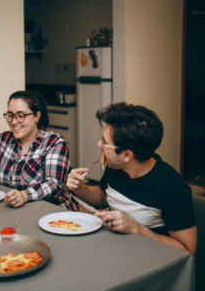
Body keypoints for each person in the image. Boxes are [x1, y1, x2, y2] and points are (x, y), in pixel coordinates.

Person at [67, 102, 197, 256]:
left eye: (105, 142)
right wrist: (79, 188)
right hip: (115, 249)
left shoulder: (173, 189)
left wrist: (137, 229)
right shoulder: (116, 167)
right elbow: (103, 197)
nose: (99, 144)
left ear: (127, 155)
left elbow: (188, 251)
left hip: (151, 259)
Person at [0, 90, 76, 210]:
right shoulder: (3, 140)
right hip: (12, 210)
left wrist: (24, 195)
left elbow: (54, 185)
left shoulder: (54, 142)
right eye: (10, 116)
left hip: (52, 213)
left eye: (21, 116)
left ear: (37, 116)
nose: (14, 122)